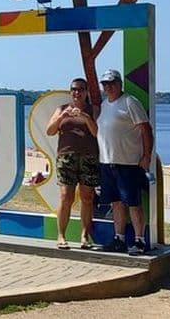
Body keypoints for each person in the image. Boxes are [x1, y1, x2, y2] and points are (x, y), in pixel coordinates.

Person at [96, 69, 154, 255]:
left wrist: (146, 156)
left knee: (133, 203)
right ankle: (119, 238)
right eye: (105, 84)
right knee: (116, 203)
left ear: (120, 84)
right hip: (107, 162)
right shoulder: (105, 105)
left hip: (128, 164)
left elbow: (146, 130)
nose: (108, 87)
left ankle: (140, 240)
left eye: (112, 83)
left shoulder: (130, 102)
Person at [45, 77, 99, 250]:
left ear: (86, 92)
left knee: (87, 197)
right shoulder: (61, 109)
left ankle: (84, 236)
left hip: (88, 156)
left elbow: (97, 132)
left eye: (82, 89)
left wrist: (85, 116)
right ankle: (61, 236)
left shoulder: (93, 110)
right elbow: (50, 131)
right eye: (75, 89)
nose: (78, 92)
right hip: (66, 157)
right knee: (65, 197)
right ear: (70, 92)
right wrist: (62, 116)